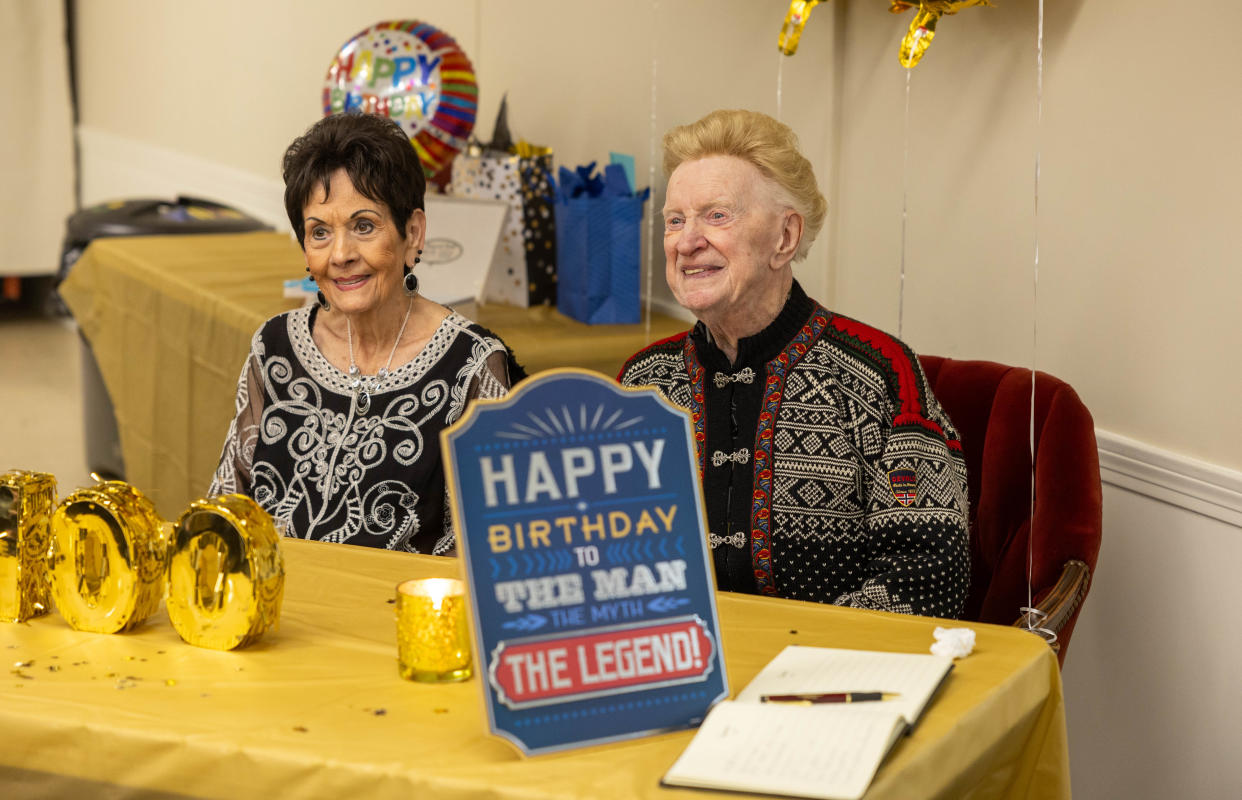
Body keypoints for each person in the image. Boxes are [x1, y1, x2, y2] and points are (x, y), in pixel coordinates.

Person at [618, 109, 969, 617]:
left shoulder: (880, 374)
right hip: (670, 670)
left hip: (829, 682)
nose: (686, 241)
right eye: (675, 220)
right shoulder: (642, 383)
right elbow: (601, 558)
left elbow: (927, 578)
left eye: (717, 215)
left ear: (785, 237)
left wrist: (792, 663)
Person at [210, 112, 523, 553]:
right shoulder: (274, 347)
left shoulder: (470, 364)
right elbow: (227, 501)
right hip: (273, 608)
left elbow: (484, 546)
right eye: (319, 233)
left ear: (412, 233)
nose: (341, 255)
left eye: (363, 226)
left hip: (396, 615)